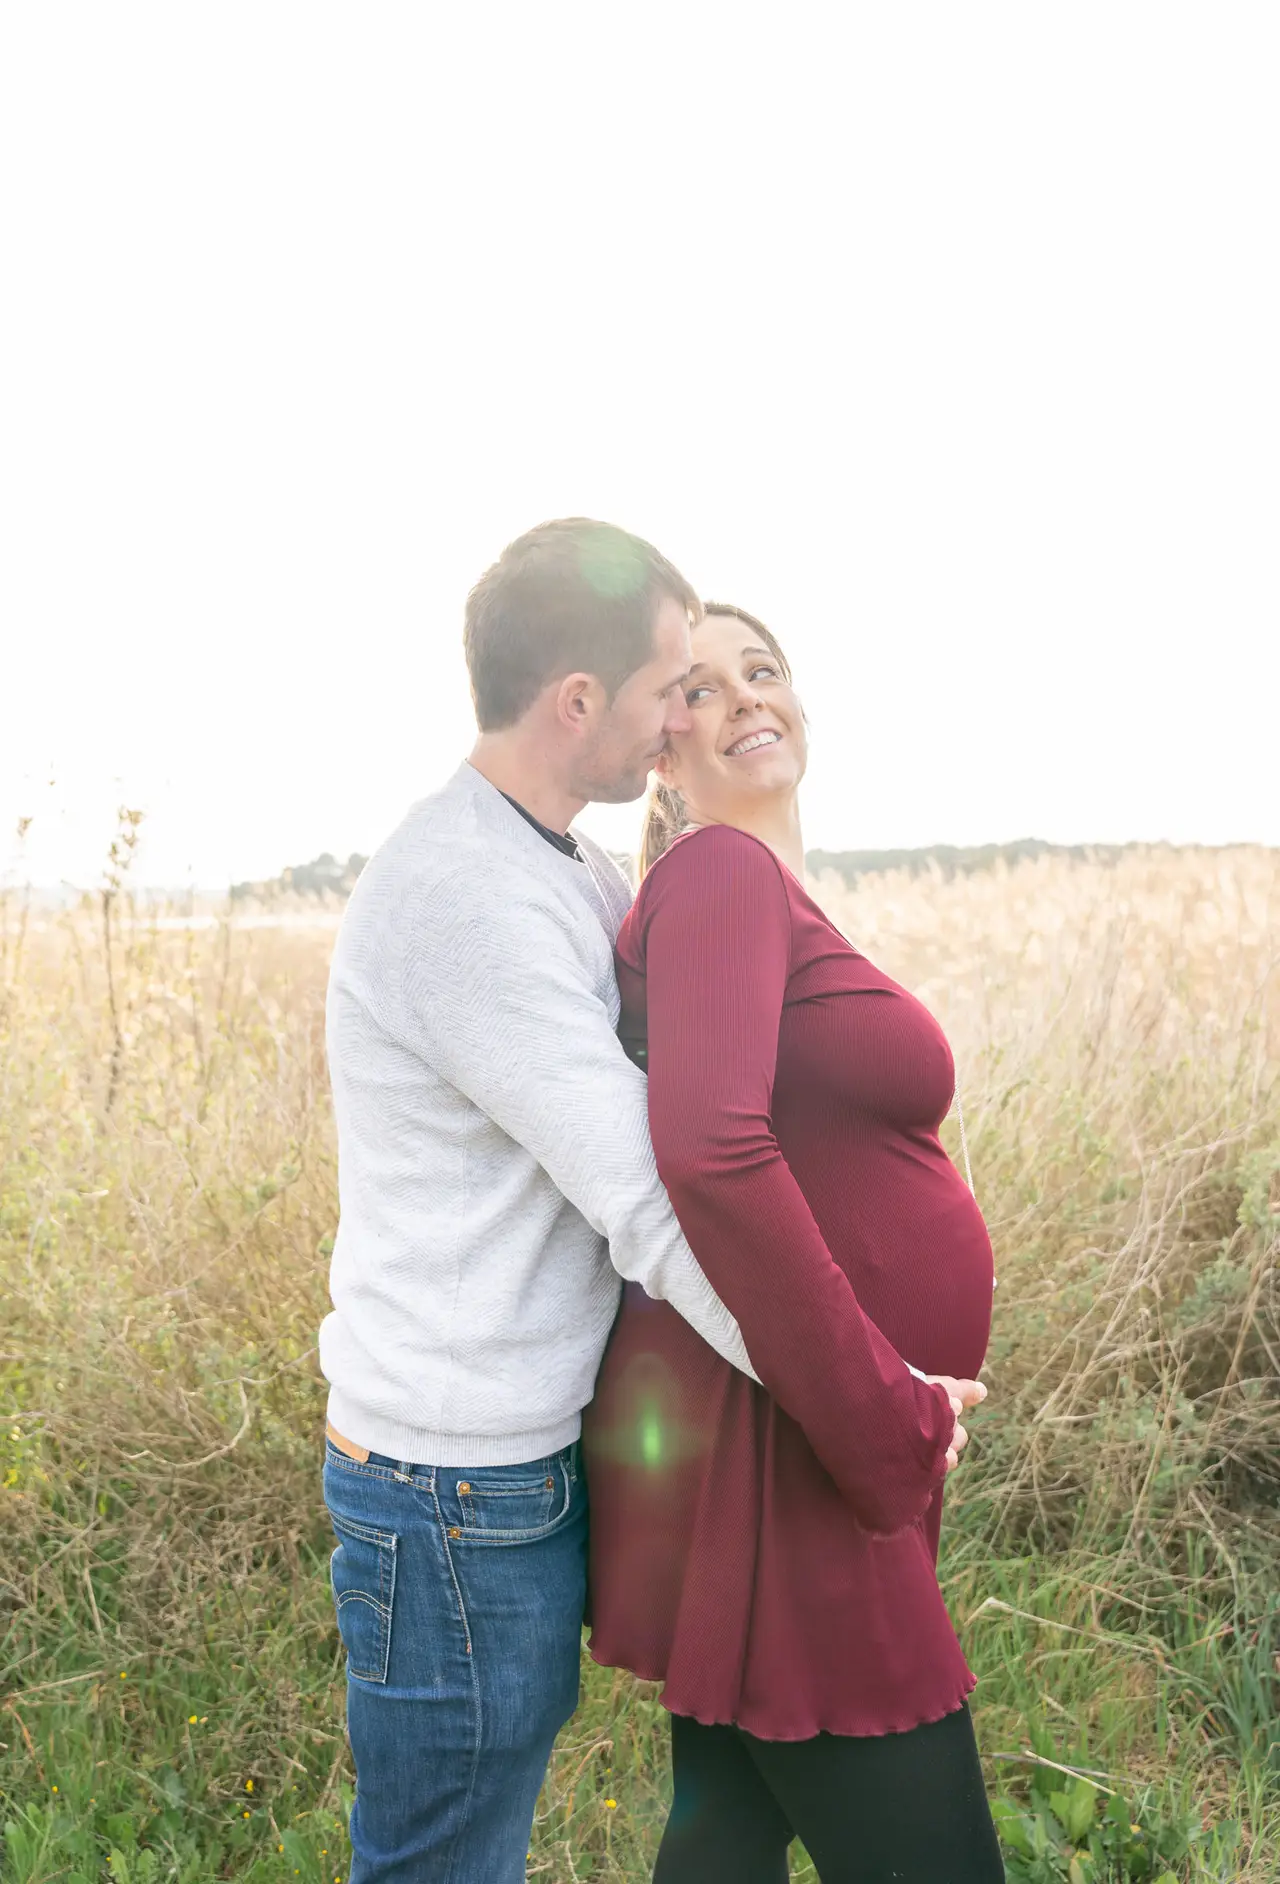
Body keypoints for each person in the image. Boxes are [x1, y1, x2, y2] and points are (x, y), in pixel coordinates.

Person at [318, 521, 769, 1882]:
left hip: (505, 1468)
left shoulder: (567, 863)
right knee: (443, 1859)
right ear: (576, 702)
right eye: (667, 689)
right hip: (450, 1489)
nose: (682, 713)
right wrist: (842, 1386)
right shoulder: (468, 898)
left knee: (474, 1837)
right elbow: (648, 1194)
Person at [582, 603, 1002, 1884]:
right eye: (701, 688)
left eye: (761, 670)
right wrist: (881, 1417)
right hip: (800, 1459)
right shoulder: (718, 874)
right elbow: (708, 1151)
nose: (746, 697)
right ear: (662, 747)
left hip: (790, 1446)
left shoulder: (760, 888)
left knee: (723, 1841)